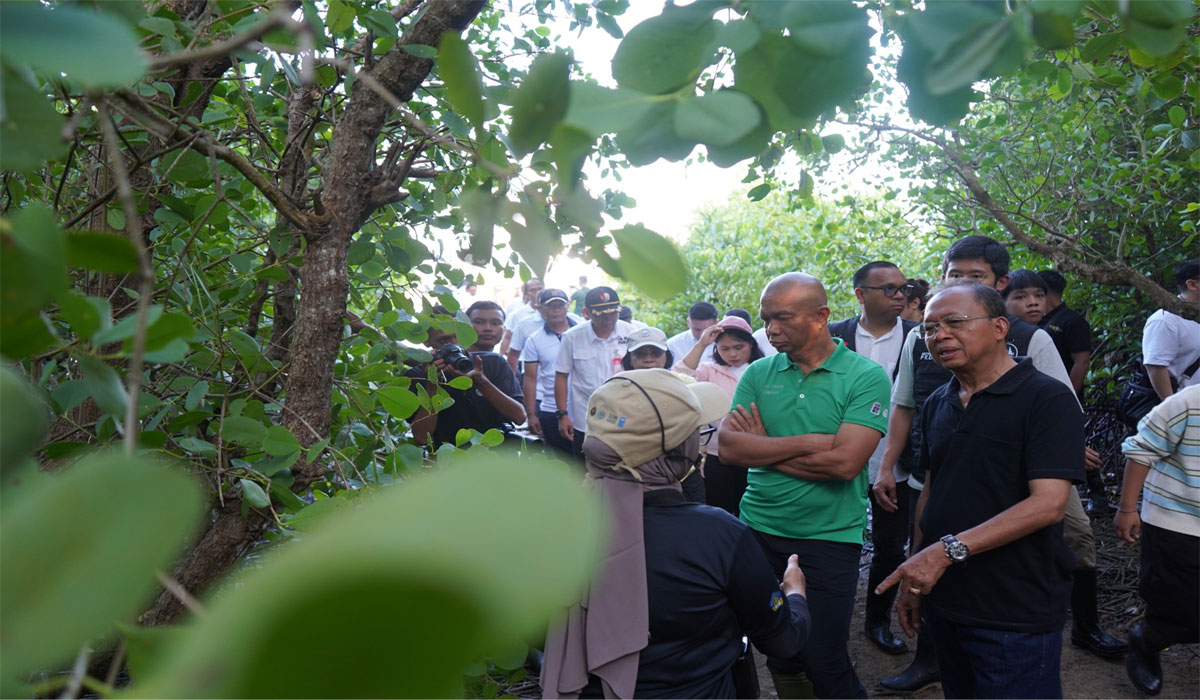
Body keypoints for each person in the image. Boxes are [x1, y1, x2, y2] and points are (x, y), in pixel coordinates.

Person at [875, 235, 1120, 693]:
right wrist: (915, 573)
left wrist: (942, 552)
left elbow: (1048, 505)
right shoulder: (938, 403)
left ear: (1000, 328)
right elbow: (932, 492)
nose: (938, 336)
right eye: (929, 328)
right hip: (947, 597)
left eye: (954, 322)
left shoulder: (1045, 399)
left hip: (1013, 609)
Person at [541, 369, 811, 699]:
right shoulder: (717, 535)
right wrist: (795, 594)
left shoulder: (551, 530)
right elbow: (782, 641)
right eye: (696, 433)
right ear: (677, 450)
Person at [718, 272, 891, 699]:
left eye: (782, 318)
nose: (770, 330)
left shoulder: (865, 376)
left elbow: (846, 464)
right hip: (758, 530)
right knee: (776, 647)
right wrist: (806, 444)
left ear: (821, 316)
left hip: (828, 536)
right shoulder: (759, 371)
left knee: (824, 655)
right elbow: (728, 450)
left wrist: (764, 448)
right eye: (766, 320)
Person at [828, 261, 920, 656]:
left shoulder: (920, 337)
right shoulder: (832, 337)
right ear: (860, 294)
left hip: (897, 461)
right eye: (889, 289)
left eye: (904, 288)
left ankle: (877, 621)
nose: (899, 295)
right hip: (840, 457)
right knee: (832, 538)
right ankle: (826, 618)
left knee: (890, 543)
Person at [1114, 385, 1199, 696]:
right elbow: (1141, 449)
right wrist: (1126, 508)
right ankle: (1148, 637)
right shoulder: (1189, 402)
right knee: (1185, 606)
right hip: (1177, 521)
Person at [672, 315, 764, 517]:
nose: (732, 354)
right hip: (716, 453)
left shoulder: (763, 369)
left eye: (738, 347)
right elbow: (680, 373)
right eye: (725, 348)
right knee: (720, 509)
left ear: (750, 343)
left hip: (755, 451)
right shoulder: (710, 371)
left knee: (751, 508)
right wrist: (702, 342)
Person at [408, 308, 525, 447]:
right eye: (444, 341)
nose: (454, 345)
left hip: (499, 454)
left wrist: (481, 381)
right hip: (451, 460)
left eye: (457, 337)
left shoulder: (494, 362)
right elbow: (421, 438)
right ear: (426, 341)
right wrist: (432, 385)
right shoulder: (418, 376)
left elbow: (519, 417)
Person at [554, 287, 633, 455]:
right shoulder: (572, 337)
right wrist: (562, 415)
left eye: (613, 312)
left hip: (625, 416)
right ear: (586, 312)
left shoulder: (631, 333)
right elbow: (561, 376)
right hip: (586, 417)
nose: (608, 318)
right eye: (601, 313)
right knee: (585, 470)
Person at [521, 289, 578, 458]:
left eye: (560, 305)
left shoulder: (582, 331)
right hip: (551, 410)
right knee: (561, 462)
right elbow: (530, 379)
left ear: (567, 306)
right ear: (539, 309)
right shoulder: (534, 340)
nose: (556, 309)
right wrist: (531, 415)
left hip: (583, 408)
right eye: (550, 306)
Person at [1141, 257, 1200, 401]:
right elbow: (1155, 366)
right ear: (1192, 285)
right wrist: (1173, 409)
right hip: (1186, 406)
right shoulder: (1164, 320)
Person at [1036, 270, 1092, 397]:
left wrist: (1068, 396)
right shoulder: (1036, 319)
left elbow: (1081, 362)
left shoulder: (1072, 321)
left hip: (1059, 395)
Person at [500, 278, 545, 359]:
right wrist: (499, 357)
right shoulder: (517, 315)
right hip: (523, 360)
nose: (538, 293)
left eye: (540, 289)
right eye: (533, 290)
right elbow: (507, 337)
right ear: (526, 294)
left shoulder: (554, 313)